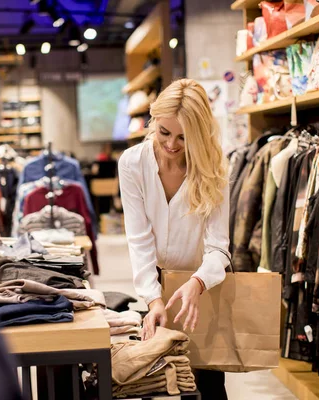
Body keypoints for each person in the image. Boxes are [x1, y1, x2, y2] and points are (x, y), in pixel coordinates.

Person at [118, 79, 230, 399]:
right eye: (164, 132)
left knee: (207, 381)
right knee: (157, 378)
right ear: (153, 121)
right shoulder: (133, 163)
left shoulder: (213, 167)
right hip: (158, 282)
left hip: (202, 283)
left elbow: (219, 245)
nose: (171, 144)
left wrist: (197, 283)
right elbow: (139, 239)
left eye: (183, 137)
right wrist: (153, 299)